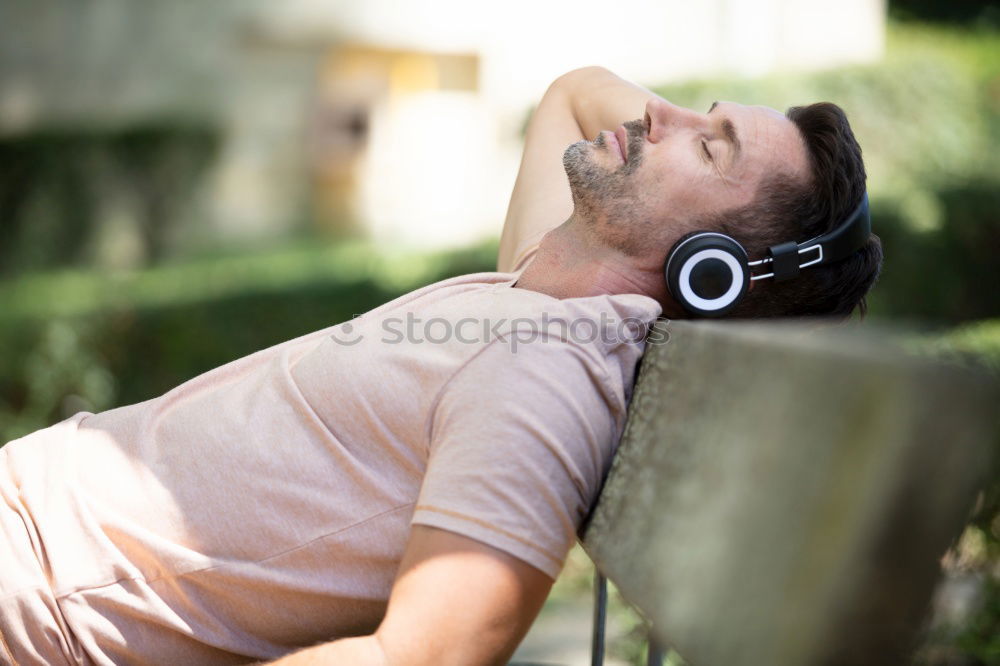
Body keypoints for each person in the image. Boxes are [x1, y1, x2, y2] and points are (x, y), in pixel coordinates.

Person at [0, 66, 881, 665]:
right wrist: (676, 150)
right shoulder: (537, 289)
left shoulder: (542, 375)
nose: (663, 112)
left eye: (709, 145)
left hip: (31, 588)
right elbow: (574, 93)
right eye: (701, 110)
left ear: (712, 268)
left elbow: (431, 652)